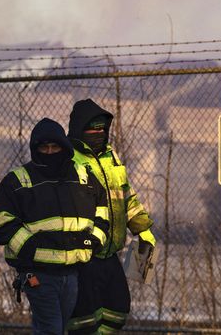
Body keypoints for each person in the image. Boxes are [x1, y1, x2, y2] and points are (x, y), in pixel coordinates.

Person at [0, 118, 109, 335]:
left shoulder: (83, 176)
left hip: (72, 272)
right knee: (51, 330)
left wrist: (96, 240)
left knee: (59, 329)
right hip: (38, 274)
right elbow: (1, 222)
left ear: (64, 147)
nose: (50, 152)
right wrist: (29, 248)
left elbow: (103, 209)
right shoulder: (18, 181)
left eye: (55, 147)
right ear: (36, 149)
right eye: (44, 147)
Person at [66, 99, 155, 334]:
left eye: (102, 128)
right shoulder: (68, 159)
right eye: (92, 128)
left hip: (110, 251)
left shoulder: (110, 157)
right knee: (83, 318)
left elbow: (126, 196)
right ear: (79, 129)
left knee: (118, 308)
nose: (98, 133)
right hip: (84, 254)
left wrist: (142, 228)